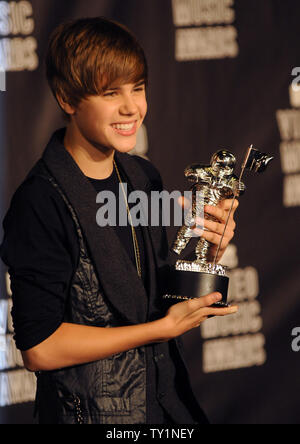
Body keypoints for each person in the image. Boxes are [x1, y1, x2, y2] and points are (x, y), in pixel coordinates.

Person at [0, 17, 238, 425]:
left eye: (138, 88)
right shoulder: (40, 201)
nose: (132, 108)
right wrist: (157, 331)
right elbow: (39, 347)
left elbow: (153, 297)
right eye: (111, 93)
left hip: (165, 406)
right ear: (67, 98)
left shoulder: (143, 177)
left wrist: (207, 251)